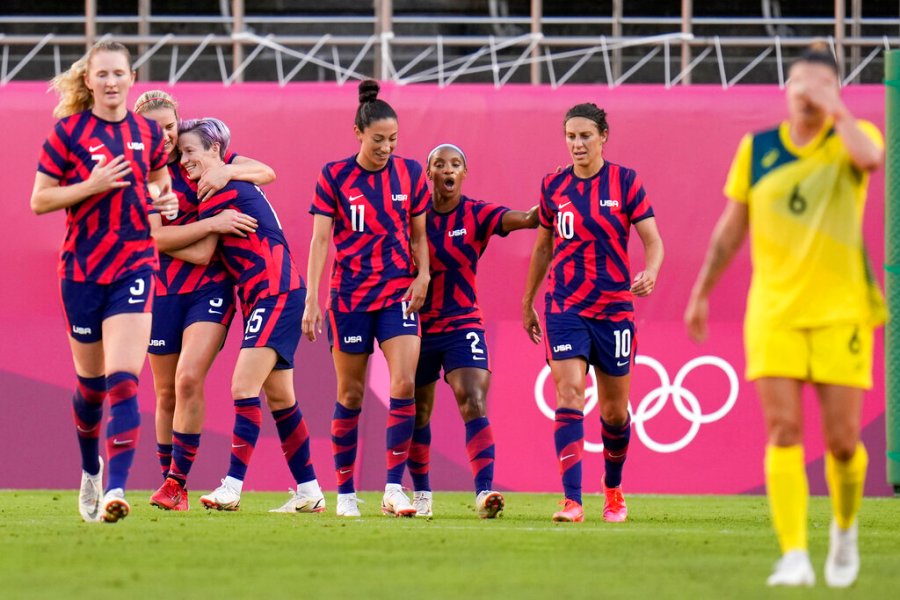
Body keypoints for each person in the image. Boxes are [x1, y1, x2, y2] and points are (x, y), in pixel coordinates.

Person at [684, 44, 885, 588]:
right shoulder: (758, 148)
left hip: (840, 310)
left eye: (819, 83)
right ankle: (794, 553)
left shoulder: (851, 137)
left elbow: (871, 159)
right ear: (785, 88)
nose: (807, 92)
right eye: (799, 82)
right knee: (783, 429)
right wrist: (701, 290)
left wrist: (837, 109)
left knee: (843, 440)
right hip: (773, 311)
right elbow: (732, 228)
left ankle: (844, 532)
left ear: (834, 90)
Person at [30, 40, 177, 523]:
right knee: (91, 388)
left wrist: (165, 201)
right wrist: (90, 186)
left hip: (134, 264)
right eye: (103, 74)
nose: (112, 81)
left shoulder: (148, 134)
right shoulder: (67, 134)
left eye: (120, 73)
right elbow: (40, 201)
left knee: (123, 382)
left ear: (131, 78)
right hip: (82, 271)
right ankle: (91, 469)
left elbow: (160, 184)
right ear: (89, 80)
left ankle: (115, 489)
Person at [170, 118, 326, 514]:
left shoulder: (221, 190)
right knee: (281, 399)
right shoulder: (227, 180)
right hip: (272, 295)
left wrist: (153, 244)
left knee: (243, 386)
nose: (184, 160)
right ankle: (309, 490)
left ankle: (232, 486)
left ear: (214, 152)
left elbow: (203, 254)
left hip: (274, 294)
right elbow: (265, 172)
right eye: (180, 153)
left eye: (189, 152)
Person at [522, 103, 663, 524]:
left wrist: (650, 272)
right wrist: (527, 300)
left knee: (614, 412)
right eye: (570, 136)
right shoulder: (554, 186)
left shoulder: (625, 182)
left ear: (603, 136)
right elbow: (543, 247)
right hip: (565, 305)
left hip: (615, 309)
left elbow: (653, 241)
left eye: (585, 135)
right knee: (568, 393)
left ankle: (614, 489)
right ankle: (571, 500)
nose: (577, 144)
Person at [134, 90, 274, 511]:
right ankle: (169, 486)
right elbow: (157, 237)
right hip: (161, 292)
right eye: (154, 128)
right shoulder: (141, 178)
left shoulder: (198, 161)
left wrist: (229, 175)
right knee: (164, 393)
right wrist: (212, 223)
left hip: (210, 291)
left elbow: (265, 171)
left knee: (188, 378)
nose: (164, 136)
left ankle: (177, 481)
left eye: (170, 127)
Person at [303, 80, 431, 518]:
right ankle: (345, 494)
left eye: (393, 140)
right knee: (351, 393)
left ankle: (394, 489)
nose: (386, 147)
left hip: (398, 290)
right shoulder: (333, 175)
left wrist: (425, 274)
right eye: (379, 139)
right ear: (358, 132)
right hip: (350, 297)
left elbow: (418, 233)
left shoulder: (412, 174)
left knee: (404, 384)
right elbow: (321, 240)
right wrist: (312, 299)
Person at [407, 143, 538, 518]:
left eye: (455, 164)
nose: (447, 169)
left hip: (463, 321)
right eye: (438, 164)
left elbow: (526, 219)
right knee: (418, 412)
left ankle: (484, 493)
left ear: (464, 173)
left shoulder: (478, 214)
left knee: (472, 397)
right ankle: (421, 496)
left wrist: (549, 203)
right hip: (417, 325)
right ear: (428, 173)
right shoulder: (412, 217)